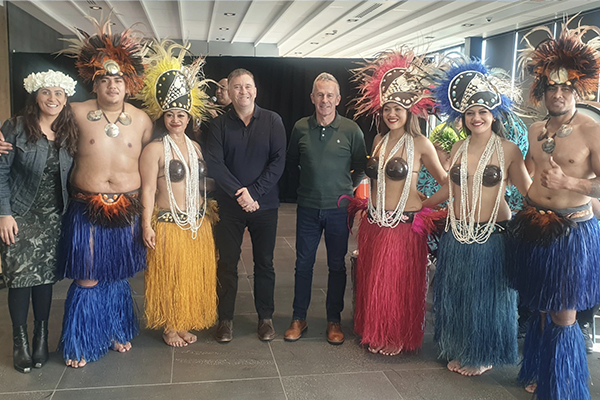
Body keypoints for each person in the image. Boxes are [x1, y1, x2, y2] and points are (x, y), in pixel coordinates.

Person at [509, 19, 600, 399]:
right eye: (551, 87)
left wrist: (571, 184)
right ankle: (539, 371)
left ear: (576, 88)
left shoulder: (591, 130)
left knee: (563, 315)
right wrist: (520, 186)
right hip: (535, 226)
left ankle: (562, 387)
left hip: (571, 231)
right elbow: (528, 171)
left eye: (565, 87)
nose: (557, 93)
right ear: (542, 90)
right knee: (540, 309)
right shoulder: (535, 130)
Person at [425, 58, 531, 376]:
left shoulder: (509, 149)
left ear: (493, 113)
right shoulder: (457, 147)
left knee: (488, 298)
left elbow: (527, 189)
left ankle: (483, 352)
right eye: (470, 112)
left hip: (493, 233)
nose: (476, 117)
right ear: (463, 116)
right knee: (458, 295)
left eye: (482, 111)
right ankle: (461, 346)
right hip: (457, 233)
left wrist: (555, 197)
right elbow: (450, 189)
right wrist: (422, 204)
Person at [56, 19, 152, 367]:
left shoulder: (142, 120)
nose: (112, 85)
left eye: (118, 79)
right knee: (88, 275)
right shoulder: (75, 112)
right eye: (105, 79)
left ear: (129, 84)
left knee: (116, 274)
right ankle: (81, 343)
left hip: (126, 207)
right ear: (94, 82)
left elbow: (151, 163)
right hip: (86, 207)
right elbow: (39, 130)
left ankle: (114, 329)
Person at [346, 50, 446, 354]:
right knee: (376, 283)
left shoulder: (420, 143)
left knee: (398, 285)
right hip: (376, 224)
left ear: (410, 110)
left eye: (398, 108)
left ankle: (397, 337)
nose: (392, 113)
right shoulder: (379, 141)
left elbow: (448, 182)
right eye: (387, 108)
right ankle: (377, 330)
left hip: (403, 226)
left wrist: (424, 203)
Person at [139, 40, 218, 347]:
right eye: (170, 114)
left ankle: (182, 321)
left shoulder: (196, 148)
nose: (175, 119)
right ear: (163, 116)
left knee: (189, 276)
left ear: (189, 118)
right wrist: (146, 224)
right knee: (170, 275)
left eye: (181, 115)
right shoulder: (154, 149)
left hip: (197, 222)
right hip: (169, 223)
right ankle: (170, 327)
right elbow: (147, 189)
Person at [0, 70, 77, 373]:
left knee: (44, 279)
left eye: (59, 93)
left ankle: (41, 336)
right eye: (46, 92)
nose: (52, 98)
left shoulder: (70, 130)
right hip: (19, 214)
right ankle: (19, 343)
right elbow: (1, 173)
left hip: (54, 217)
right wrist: (4, 213)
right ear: (35, 95)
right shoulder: (16, 127)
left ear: (66, 98)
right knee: (19, 279)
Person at [284, 72, 366, 345]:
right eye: (320, 94)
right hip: (307, 207)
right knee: (302, 264)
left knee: (336, 266)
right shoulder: (299, 128)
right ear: (312, 98)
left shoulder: (351, 130)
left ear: (338, 99)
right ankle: (299, 318)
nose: (325, 100)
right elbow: (293, 162)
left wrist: (345, 191)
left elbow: (361, 168)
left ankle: (334, 320)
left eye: (330, 95)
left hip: (338, 210)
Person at [205, 68, 286, 343]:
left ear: (255, 90)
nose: (243, 92)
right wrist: (241, 194)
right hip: (229, 207)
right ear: (229, 92)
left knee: (264, 263)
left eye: (248, 86)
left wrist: (254, 194)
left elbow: (278, 162)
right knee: (227, 263)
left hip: (265, 206)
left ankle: (265, 318)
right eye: (237, 87)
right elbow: (216, 164)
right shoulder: (218, 125)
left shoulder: (273, 121)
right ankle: (225, 319)